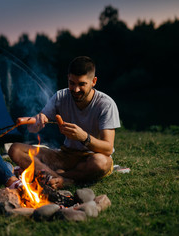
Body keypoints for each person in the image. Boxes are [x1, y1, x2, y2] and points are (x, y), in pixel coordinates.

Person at [8, 56, 121, 189]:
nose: (76, 89)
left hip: (92, 157)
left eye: (81, 84)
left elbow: (108, 148)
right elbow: (34, 127)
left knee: (101, 162)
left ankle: (56, 176)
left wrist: (83, 137)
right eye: (72, 83)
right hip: (65, 156)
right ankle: (61, 178)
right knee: (15, 149)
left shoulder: (105, 104)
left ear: (93, 81)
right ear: (68, 78)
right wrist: (36, 122)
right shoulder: (61, 97)